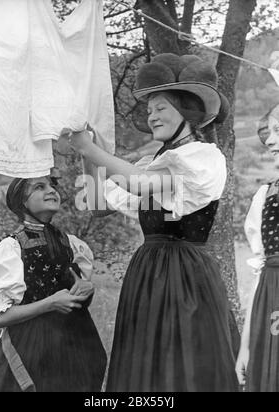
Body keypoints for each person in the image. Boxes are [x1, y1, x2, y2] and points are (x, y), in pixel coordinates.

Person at [71, 53, 239, 392]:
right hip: (148, 271)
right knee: (145, 365)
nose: (152, 115)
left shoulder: (203, 158)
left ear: (188, 111)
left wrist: (92, 150)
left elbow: (140, 184)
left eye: (161, 107)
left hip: (185, 273)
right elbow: (95, 202)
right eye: (149, 109)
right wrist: (85, 150)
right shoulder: (153, 163)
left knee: (183, 362)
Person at [0, 176, 107, 392]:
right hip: (31, 348)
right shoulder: (12, 247)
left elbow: (76, 287)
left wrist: (87, 287)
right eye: (40, 187)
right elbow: (0, 318)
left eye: (52, 185)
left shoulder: (71, 243)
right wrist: (49, 304)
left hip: (75, 345)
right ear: (23, 202)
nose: (51, 190)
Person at [236, 104, 279, 392]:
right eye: (269, 133)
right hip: (271, 298)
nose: (271, 140)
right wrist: (246, 347)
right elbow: (259, 273)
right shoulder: (266, 196)